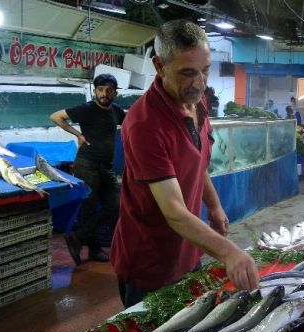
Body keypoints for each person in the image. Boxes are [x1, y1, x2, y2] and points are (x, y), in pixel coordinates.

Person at [111, 19, 259, 307]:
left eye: (205, 70)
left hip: (189, 250)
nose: (200, 83)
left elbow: (196, 162)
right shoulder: (144, 125)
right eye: (187, 73)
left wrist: (214, 206)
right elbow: (175, 211)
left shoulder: (196, 101)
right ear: (159, 66)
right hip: (150, 265)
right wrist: (228, 252)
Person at [50, 74, 125, 265]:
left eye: (109, 90)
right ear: (95, 91)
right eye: (100, 89)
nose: (104, 93)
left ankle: (78, 237)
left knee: (115, 206)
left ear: (115, 92)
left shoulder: (116, 110)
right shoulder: (87, 109)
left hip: (105, 167)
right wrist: (78, 134)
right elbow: (56, 117)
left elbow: (132, 123)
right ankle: (94, 248)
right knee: (89, 209)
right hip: (87, 164)